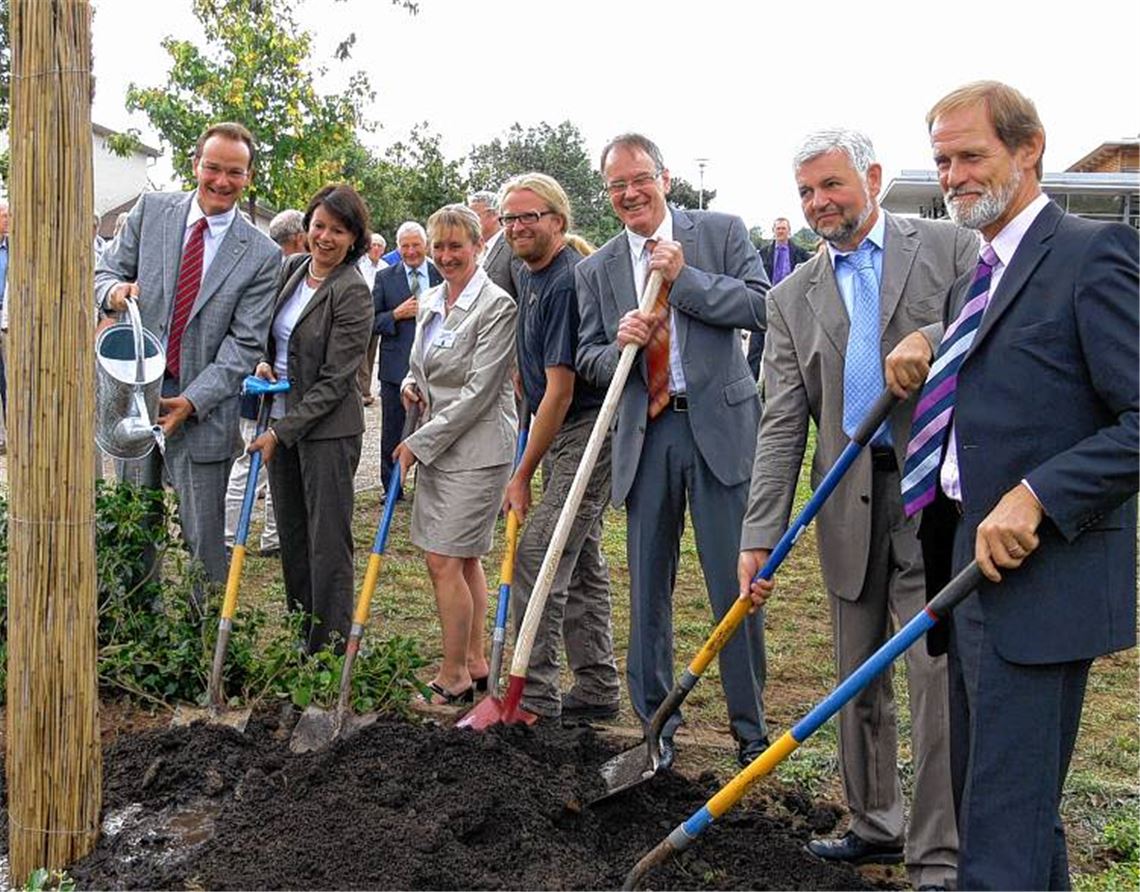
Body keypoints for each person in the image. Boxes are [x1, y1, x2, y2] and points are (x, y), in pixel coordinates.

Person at [889, 80, 1138, 890]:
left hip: (1042, 581)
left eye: (971, 156)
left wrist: (1039, 493)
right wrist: (931, 334)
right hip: (968, 565)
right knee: (1004, 813)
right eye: (941, 161)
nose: (952, 176)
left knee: (1000, 833)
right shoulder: (981, 269)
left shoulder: (1092, 253)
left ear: (1029, 150)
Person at [739, 128, 975, 887]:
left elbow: (991, 319)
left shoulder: (948, 246)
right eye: (806, 192)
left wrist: (929, 337)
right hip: (847, 500)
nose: (818, 203)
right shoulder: (789, 298)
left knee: (935, 682)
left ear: (871, 177)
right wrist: (759, 534)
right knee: (856, 676)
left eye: (831, 185)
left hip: (935, 496)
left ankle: (939, 854)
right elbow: (782, 423)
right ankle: (875, 824)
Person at [575, 133, 770, 768]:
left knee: (734, 583)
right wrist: (616, 347)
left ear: (664, 177)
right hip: (647, 434)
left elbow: (761, 306)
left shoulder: (720, 232)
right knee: (647, 587)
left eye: (640, 179)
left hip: (718, 430)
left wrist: (685, 280)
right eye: (617, 185)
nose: (630, 193)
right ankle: (656, 723)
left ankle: (750, 729)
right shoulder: (597, 268)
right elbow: (586, 358)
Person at [95, 122, 279, 591]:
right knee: (134, 532)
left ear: (248, 176)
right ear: (196, 164)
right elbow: (105, 271)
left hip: (203, 414)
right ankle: (136, 624)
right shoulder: (152, 210)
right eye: (213, 168)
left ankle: (202, 632)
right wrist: (113, 293)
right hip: (134, 401)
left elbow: (245, 343)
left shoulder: (262, 254)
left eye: (234, 172)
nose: (221, 181)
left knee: (203, 545)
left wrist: (192, 402)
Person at [499, 173, 621, 722]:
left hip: (589, 431)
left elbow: (562, 390)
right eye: (510, 218)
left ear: (558, 220)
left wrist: (521, 473)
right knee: (581, 558)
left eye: (530, 216)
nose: (517, 226)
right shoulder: (530, 274)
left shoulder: (566, 282)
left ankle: (536, 697)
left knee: (540, 553)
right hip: (562, 431)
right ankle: (596, 686)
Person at [394, 204, 517, 704]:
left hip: (478, 448)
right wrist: (410, 384)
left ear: (478, 246)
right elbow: (421, 365)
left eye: (456, 246)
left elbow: (479, 393)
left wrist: (417, 444)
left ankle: (453, 676)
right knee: (463, 559)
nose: (446, 256)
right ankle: (475, 662)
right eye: (439, 247)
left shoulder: (497, 306)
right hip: (441, 443)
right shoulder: (430, 299)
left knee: (443, 559)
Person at [247, 184, 374, 654]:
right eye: (319, 226)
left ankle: (332, 649)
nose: (325, 237)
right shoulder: (293, 269)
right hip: (281, 423)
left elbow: (336, 380)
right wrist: (264, 361)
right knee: (293, 535)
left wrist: (280, 432)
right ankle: (304, 638)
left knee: (327, 542)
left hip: (327, 433)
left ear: (354, 237)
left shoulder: (352, 291)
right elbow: (271, 335)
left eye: (338, 230)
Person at [223, 208, 309, 559]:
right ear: (301, 238)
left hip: (287, 393)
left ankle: (274, 536)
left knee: (280, 467)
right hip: (260, 388)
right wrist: (260, 361)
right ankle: (230, 535)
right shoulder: (268, 271)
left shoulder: (302, 274)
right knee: (251, 462)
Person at [372, 222, 441, 500]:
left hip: (435, 366)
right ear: (398, 248)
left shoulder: (440, 273)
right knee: (392, 430)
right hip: (395, 368)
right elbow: (370, 321)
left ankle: (429, 487)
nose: (411, 251)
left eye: (416, 245)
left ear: (426, 245)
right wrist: (395, 315)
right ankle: (392, 488)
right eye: (405, 246)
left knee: (433, 428)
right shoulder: (385, 277)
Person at [747, 216, 813, 379]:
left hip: (790, 306)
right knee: (756, 347)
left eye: (783, 228)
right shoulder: (763, 254)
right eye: (778, 228)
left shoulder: (801, 253)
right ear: (773, 231)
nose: (781, 231)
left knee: (789, 348)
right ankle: (751, 383)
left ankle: (788, 382)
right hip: (766, 303)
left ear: (789, 231)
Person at [356, 233, 389, 406]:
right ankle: (364, 391)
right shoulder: (359, 264)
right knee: (361, 351)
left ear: (383, 250)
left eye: (379, 246)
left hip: (376, 314)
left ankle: (366, 388)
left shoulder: (385, 267)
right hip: (359, 312)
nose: (376, 248)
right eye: (373, 245)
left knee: (371, 352)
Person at [468, 188, 518, 299]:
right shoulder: (475, 250)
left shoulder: (512, 247)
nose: (469, 223)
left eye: (474, 217)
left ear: (494, 215)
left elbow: (523, 294)